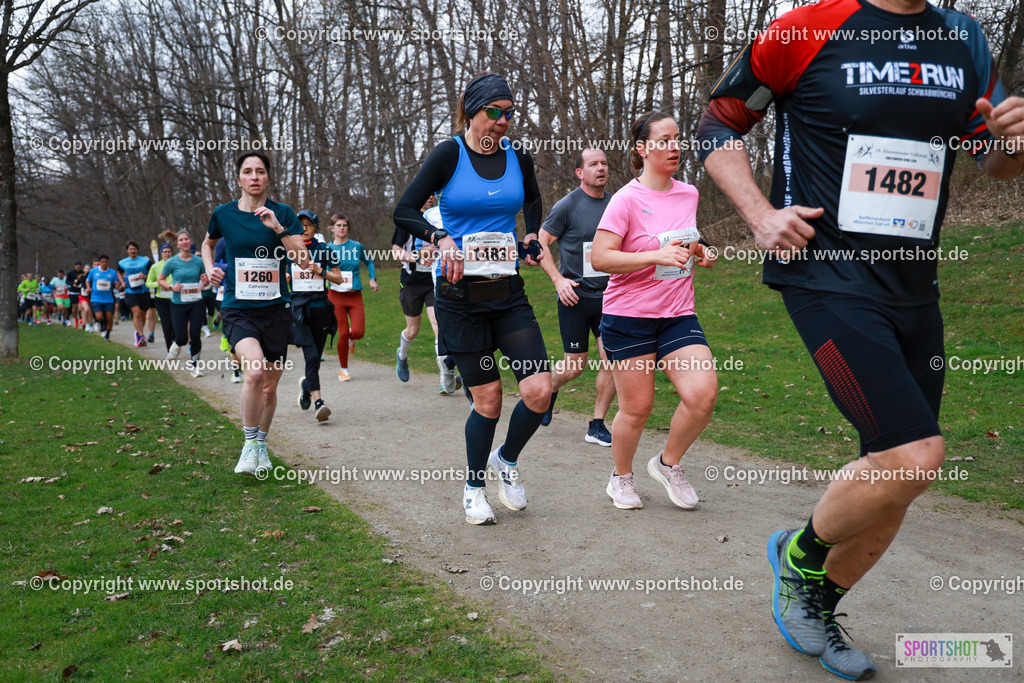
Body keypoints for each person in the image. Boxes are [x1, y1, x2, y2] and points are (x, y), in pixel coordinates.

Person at [695, 0, 1024, 677]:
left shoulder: (962, 38)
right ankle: (799, 557)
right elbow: (718, 122)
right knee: (914, 454)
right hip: (825, 275)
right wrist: (758, 213)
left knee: (897, 477)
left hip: (914, 287)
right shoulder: (806, 29)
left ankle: (817, 601)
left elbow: (993, 161)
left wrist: (1012, 144)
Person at [394, 72, 551, 525]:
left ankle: (507, 459)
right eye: (494, 111)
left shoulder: (518, 156)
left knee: (539, 390)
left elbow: (533, 200)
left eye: (509, 113)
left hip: (507, 292)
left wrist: (532, 234)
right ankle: (474, 487)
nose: (503, 120)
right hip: (459, 297)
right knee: (488, 399)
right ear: (472, 111)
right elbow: (404, 209)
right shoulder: (449, 154)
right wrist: (440, 238)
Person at [591, 111, 718, 514]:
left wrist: (701, 250)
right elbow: (600, 258)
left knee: (702, 395)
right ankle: (621, 477)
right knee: (637, 408)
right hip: (629, 317)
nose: (674, 147)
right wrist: (654, 256)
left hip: (678, 313)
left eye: (677, 138)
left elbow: (684, 239)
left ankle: (668, 463)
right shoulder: (625, 200)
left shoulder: (689, 194)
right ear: (642, 149)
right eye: (663, 140)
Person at [203, 151, 308, 477]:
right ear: (239, 179)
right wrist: (210, 269)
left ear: (267, 178)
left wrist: (278, 228)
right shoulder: (223, 214)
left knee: (270, 389)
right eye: (247, 171)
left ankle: (261, 445)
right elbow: (207, 245)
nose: (254, 177)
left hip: (276, 309)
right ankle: (249, 444)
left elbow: (303, 260)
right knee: (254, 373)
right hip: (238, 307)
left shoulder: (283, 213)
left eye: (260, 171)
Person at [538, 147, 616, 446]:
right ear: (580, 172)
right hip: (575, 298)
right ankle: (550, 389)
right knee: (574, 367)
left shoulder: (617, 204)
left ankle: (597, 424)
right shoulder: (567, 206)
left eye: (604, 163)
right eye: (593, 164)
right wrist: (558, 281)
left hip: (609, 298)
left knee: (611, 360)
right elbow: (541, 243)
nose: (601, 168)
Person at [391, 197, 462, 393]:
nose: (430, 197)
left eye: (432, 193)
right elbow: (396, 252)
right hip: (411, 282)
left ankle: (444, 377)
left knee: (438, 326)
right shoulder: (408, 220)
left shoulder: (441, 217)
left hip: (433, 282)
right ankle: (402, 356)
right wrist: (417, 257)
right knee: (412, 331)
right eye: (426, 193)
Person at [290, 209, 344, 422]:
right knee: (312, 356)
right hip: (299, 310)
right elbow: (278, 277)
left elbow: (339, 278)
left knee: (315, 358)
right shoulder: (288, 250)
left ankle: (306, 385)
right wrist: (285, 277)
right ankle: (319, 403)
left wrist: (322, 271)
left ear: (316, 228)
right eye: (300, 225)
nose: (304, 228)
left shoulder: (324, 250)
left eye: (309, 225)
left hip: (321, 309)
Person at [324, 212, 377, 381]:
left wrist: (372, 278)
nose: (341, 228)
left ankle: (351, 337)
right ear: (332, 229)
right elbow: (320, 269)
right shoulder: (326, 248)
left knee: (359, 332)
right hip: (335, 296)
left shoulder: (356, 246)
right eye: (338, 225)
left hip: (354, 295)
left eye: (344, 225)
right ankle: (344, 369)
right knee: (342, 333)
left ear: (348, 228)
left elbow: (368, 261)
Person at [160, 231, 209, 377]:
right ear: (177, 244)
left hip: (196, 302)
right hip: (178, 304)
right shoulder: (172, 262)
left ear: (190, 241)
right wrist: (171, 287)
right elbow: (161, 279)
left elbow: (205, 280)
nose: (184, 242)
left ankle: (195, 366)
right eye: (181, 240)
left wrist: (205, 282)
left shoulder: (199, 261)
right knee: (181, 338)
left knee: (195, 334)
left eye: (186, 239)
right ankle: (176, 345)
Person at [117, 240, 153, 346]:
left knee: (142, 314)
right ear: (127, 250)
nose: (132, 251)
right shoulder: (122, 262)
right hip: (130, 291)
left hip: (144, 290)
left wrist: (145, 277)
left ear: (137, 250)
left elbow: (152, 273)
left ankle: (138, 333)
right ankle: (141, 336)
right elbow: (119, 272)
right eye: (130, 249)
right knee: (136, 312)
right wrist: (122, 282)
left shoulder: (145, 261)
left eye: (134, 249)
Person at [147, 243, 176, 355]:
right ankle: (169, 350)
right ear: (160, 253)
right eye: (165, 252)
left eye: (169, 251)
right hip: (161, 299)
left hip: (175, 298)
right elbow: (148, 283)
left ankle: (175, 341)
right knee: (166, 325)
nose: (167, 254)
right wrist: (159, 284)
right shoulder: (155, 266)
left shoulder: (176, 264)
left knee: (175, 324)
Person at [86, 255, 119, 340]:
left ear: (108, 262)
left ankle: (107, 334)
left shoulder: (112, 272)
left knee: (109, 317)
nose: (104, 263)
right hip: (96, 298)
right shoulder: (93, 271)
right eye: (102, 262)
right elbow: (88, 280)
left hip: (108, 298)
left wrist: (117, 285)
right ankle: (100, 323)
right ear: (99, 263)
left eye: (106, 262)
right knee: (99, 316)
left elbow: (116, 283)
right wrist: (88, 287)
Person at [67, 261, 87, 328]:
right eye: (77, 267)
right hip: (73, 292)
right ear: (75, 266)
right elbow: (67, 281)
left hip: (80, 292)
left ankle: (81, 318)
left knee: (80, 307)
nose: (78, 268)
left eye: (79, 267)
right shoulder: (70, 273)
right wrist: (72, 284)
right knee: (74, 309)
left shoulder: (83, 273)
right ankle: (76, 319)